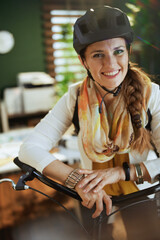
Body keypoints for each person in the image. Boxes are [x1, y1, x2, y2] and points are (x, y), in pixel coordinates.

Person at [19, 6, 160, 220]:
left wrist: (118, 173)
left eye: (118, 51)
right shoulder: (75, 97)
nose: (111, 64)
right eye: (98, 55)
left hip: (140, 196)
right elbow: (29, 149)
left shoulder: (152, 95)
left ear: (128, 52)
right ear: (83, 61)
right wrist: (76, 180)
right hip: (93, 198)